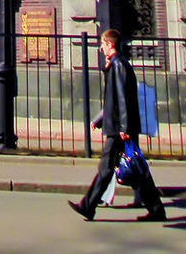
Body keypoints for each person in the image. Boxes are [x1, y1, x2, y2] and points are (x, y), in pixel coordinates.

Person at [68, 28, 166, 223]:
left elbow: (123, 99)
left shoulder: (119, 66)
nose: (101, 47)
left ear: (110, 44)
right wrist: (105, 120)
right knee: (136, 168)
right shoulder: (116, 65)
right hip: (120, 126)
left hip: (120, 130)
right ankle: (156, 210)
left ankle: (88, 206)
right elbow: (115, 99)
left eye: (103, 43)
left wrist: (123, 127)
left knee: (108, 167)